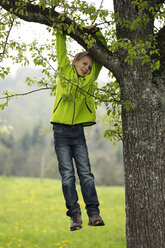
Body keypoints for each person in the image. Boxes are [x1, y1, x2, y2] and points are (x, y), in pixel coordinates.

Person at [50, 24, 106, 231]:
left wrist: (97, 33)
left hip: (78, 132)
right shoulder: (64, 70)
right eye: (83, 64)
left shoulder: (90, 79)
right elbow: (60, 47)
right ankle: (75, 216)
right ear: (75, 61)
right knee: (67, 177)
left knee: (86, 174)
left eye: (89, 67)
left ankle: (94, 214)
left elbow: (103, 53)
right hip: (60, 132)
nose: (86, 68)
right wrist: (62, 27)